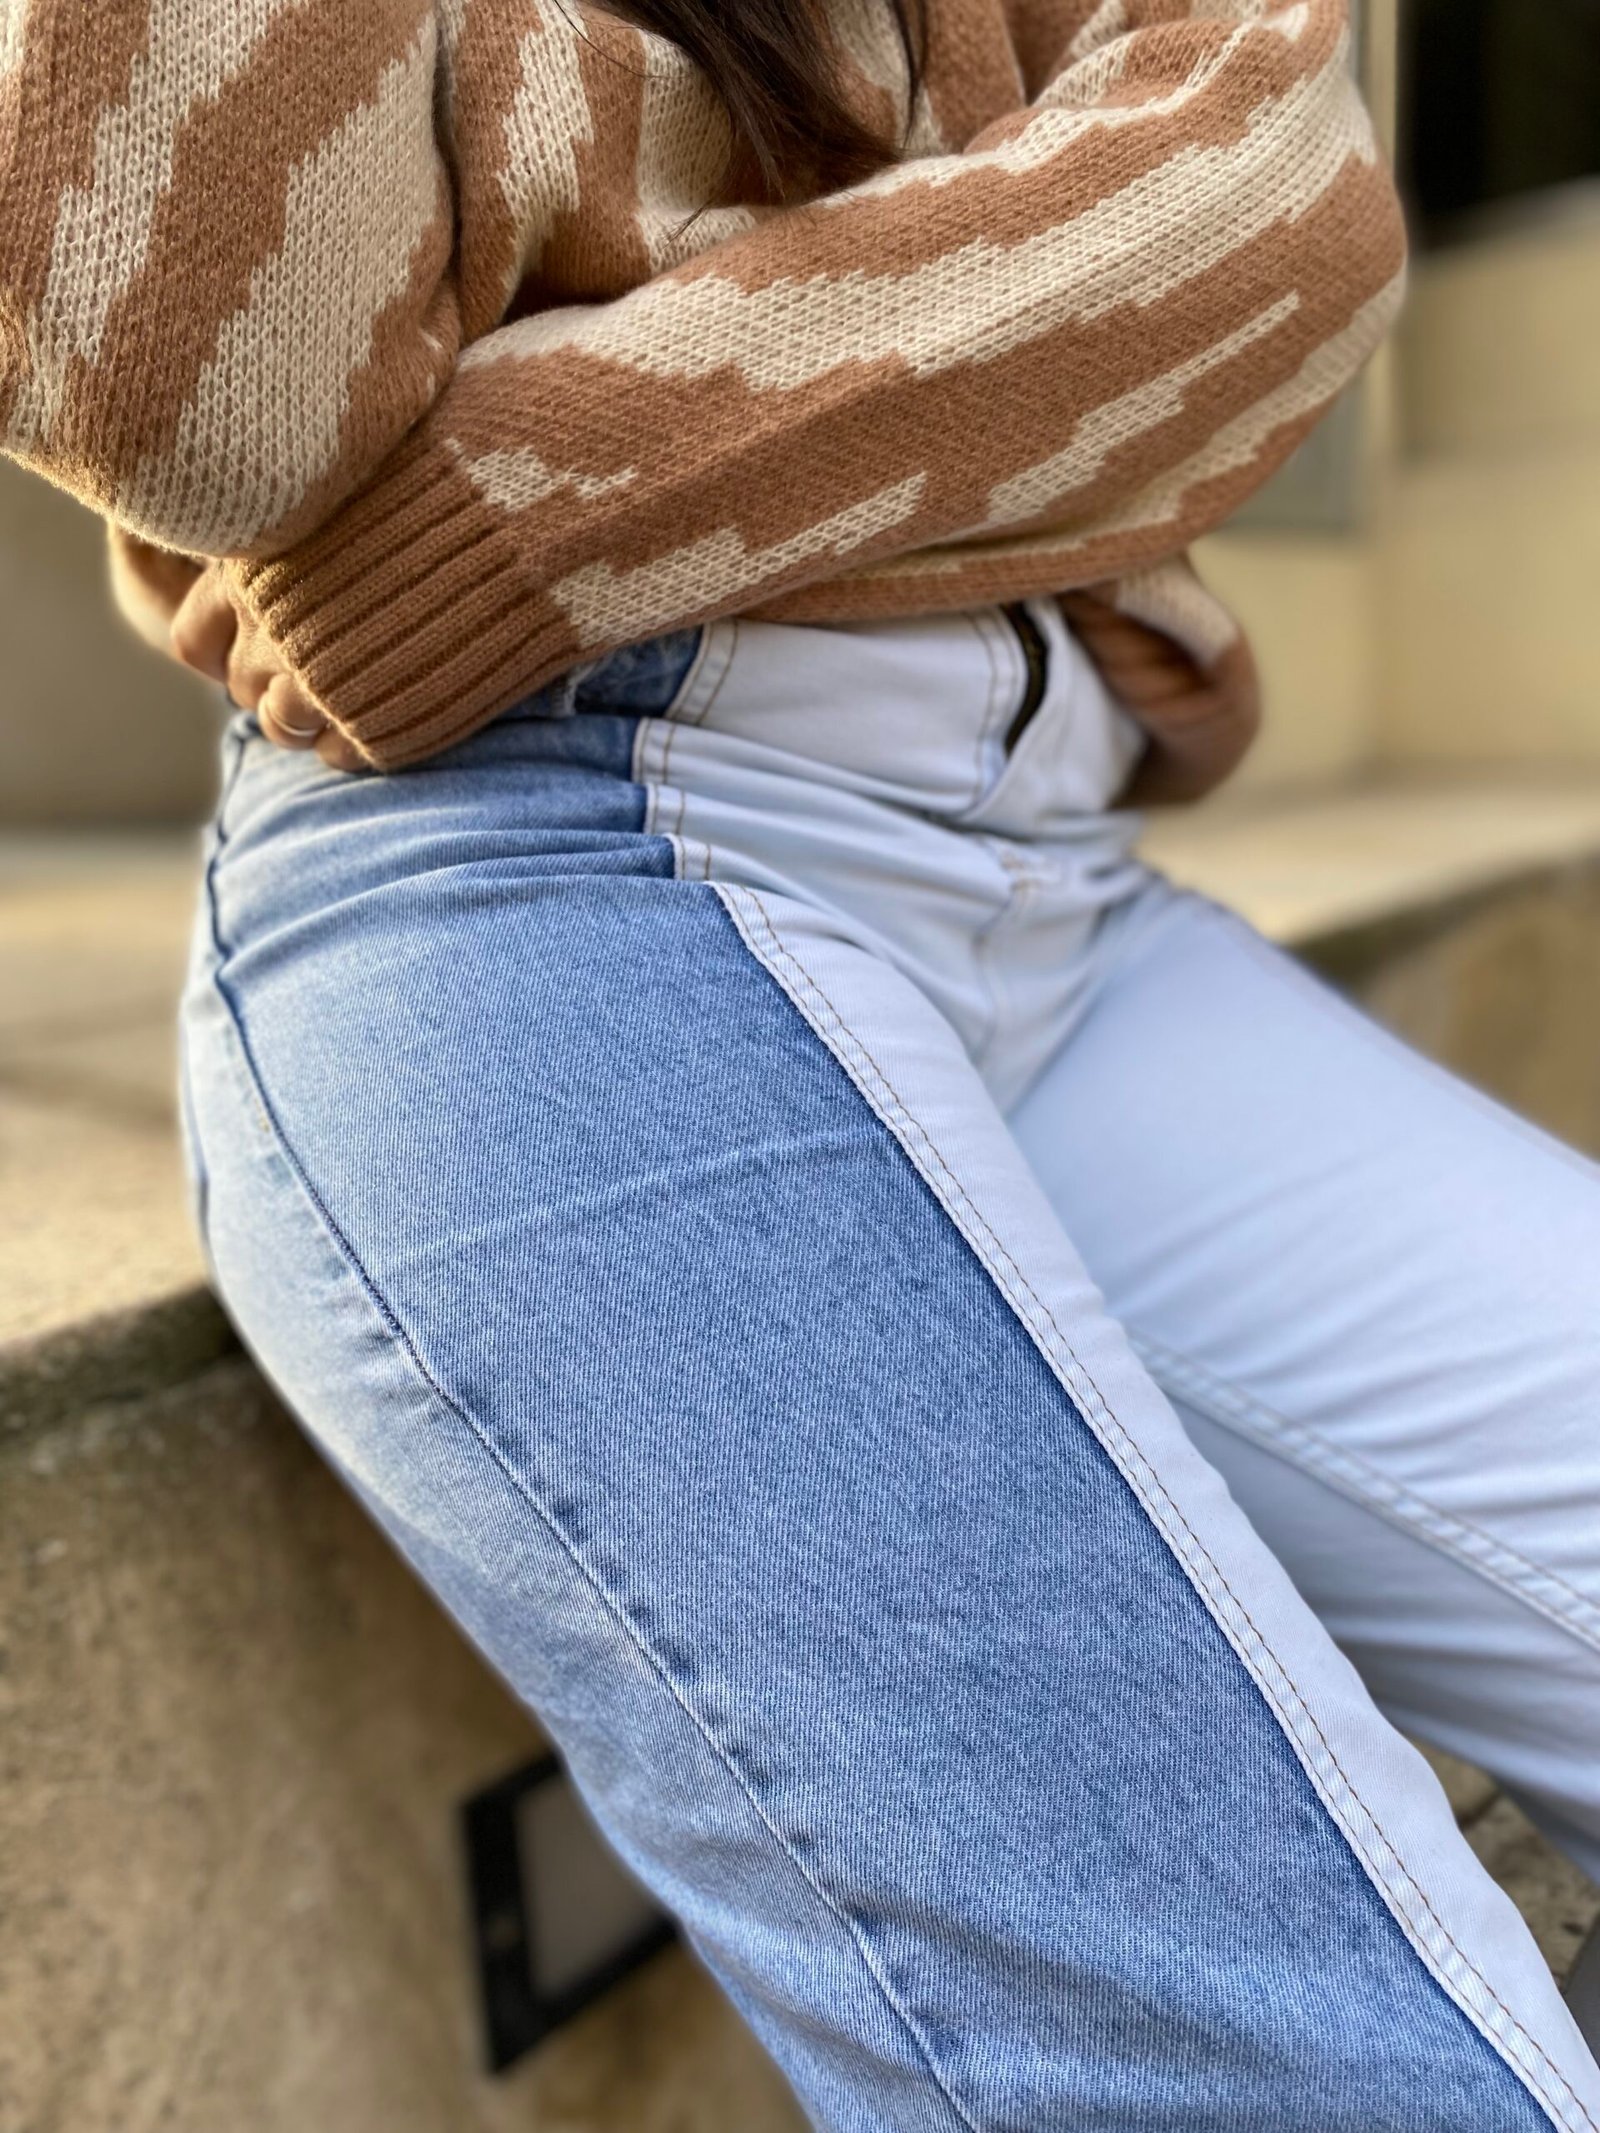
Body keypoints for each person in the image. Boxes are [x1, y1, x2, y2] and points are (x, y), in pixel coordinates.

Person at [5, 2, 1599, 2124]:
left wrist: (550, 503)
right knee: (1330, 2081)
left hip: (1046, 881)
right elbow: (191, 389)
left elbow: (1277, 201)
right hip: (539, 868)